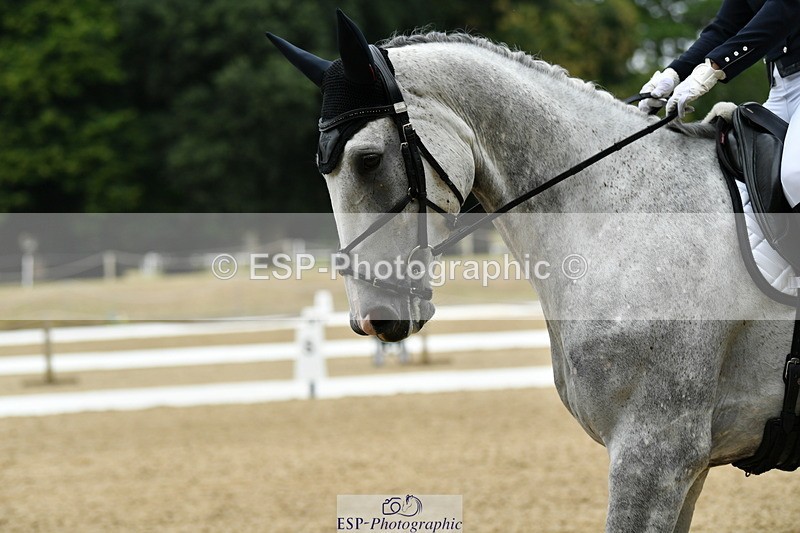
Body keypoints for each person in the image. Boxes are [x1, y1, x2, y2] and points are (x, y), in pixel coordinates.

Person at [638, 0, 800, 214]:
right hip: (780, 90)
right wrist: (674, 73)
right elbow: (725, 28)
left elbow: (784, 9)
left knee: (795, 175)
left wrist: (713, 68)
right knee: (742, 193)